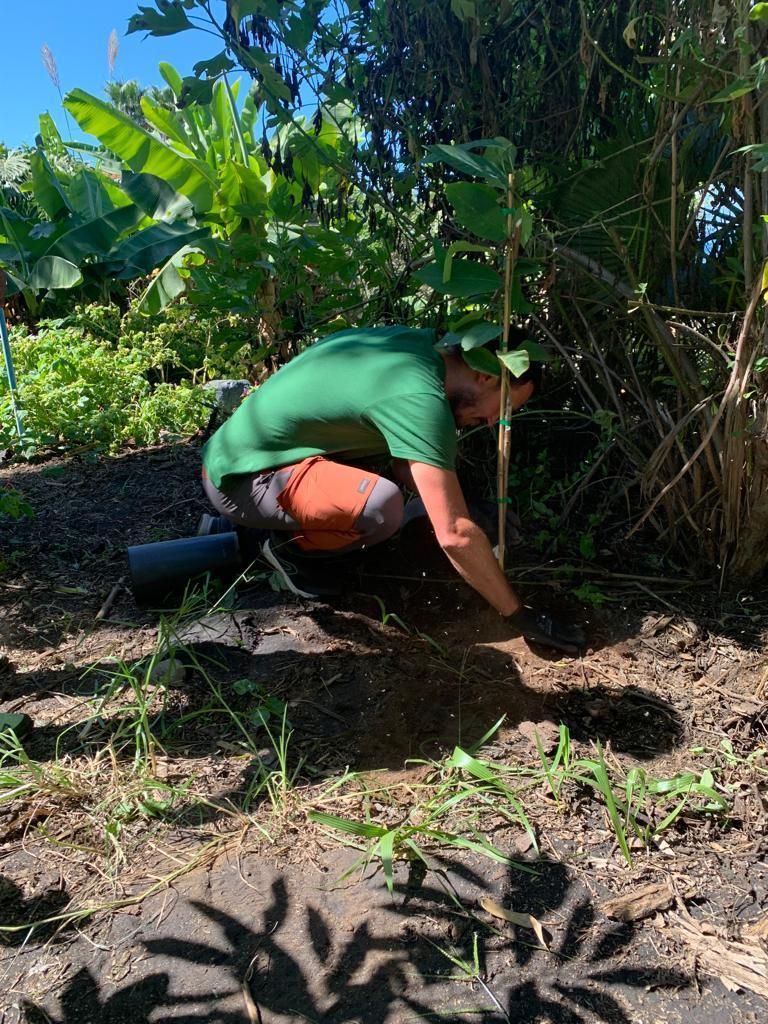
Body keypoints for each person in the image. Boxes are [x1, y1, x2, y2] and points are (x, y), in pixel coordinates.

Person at [201, 324, 583, 653]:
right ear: (486, 376)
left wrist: (462, 507)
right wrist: (518, 615)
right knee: (382, 508)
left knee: (389, 503)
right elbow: (454, 537)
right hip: (243, 479)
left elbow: (405, 460)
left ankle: (262, 527)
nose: (491, 423)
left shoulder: (418, 350)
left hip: (251, 457)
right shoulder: (420, 398)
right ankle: (282, 549)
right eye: (501, 409)